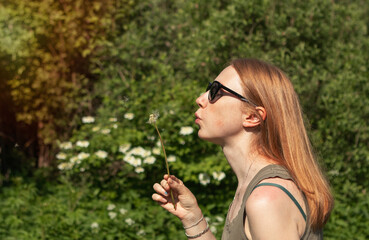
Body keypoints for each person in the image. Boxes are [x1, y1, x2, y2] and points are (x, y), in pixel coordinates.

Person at [152, 58, 334, 239]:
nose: (200, 99)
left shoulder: (267, 199)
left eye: (215, 91)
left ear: (252, 116)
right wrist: (193, 219)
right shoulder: (253, 188)